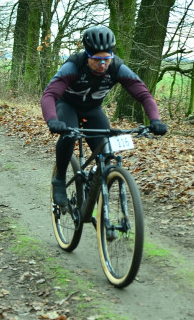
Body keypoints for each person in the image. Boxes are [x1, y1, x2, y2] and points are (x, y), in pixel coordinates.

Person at [41, 24, 167, 206]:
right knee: (69, 135)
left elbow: (144, 94)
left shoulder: (116, 67)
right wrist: (52, 120)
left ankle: (93, 182)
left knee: (106, 155)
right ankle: (59, 179)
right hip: (67, 106)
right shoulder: (74, 65)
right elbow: (50, 95)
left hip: (93, 110)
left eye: (106, 59)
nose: (102, 65)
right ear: (87, 55)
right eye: (97, 60)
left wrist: (155, 120)